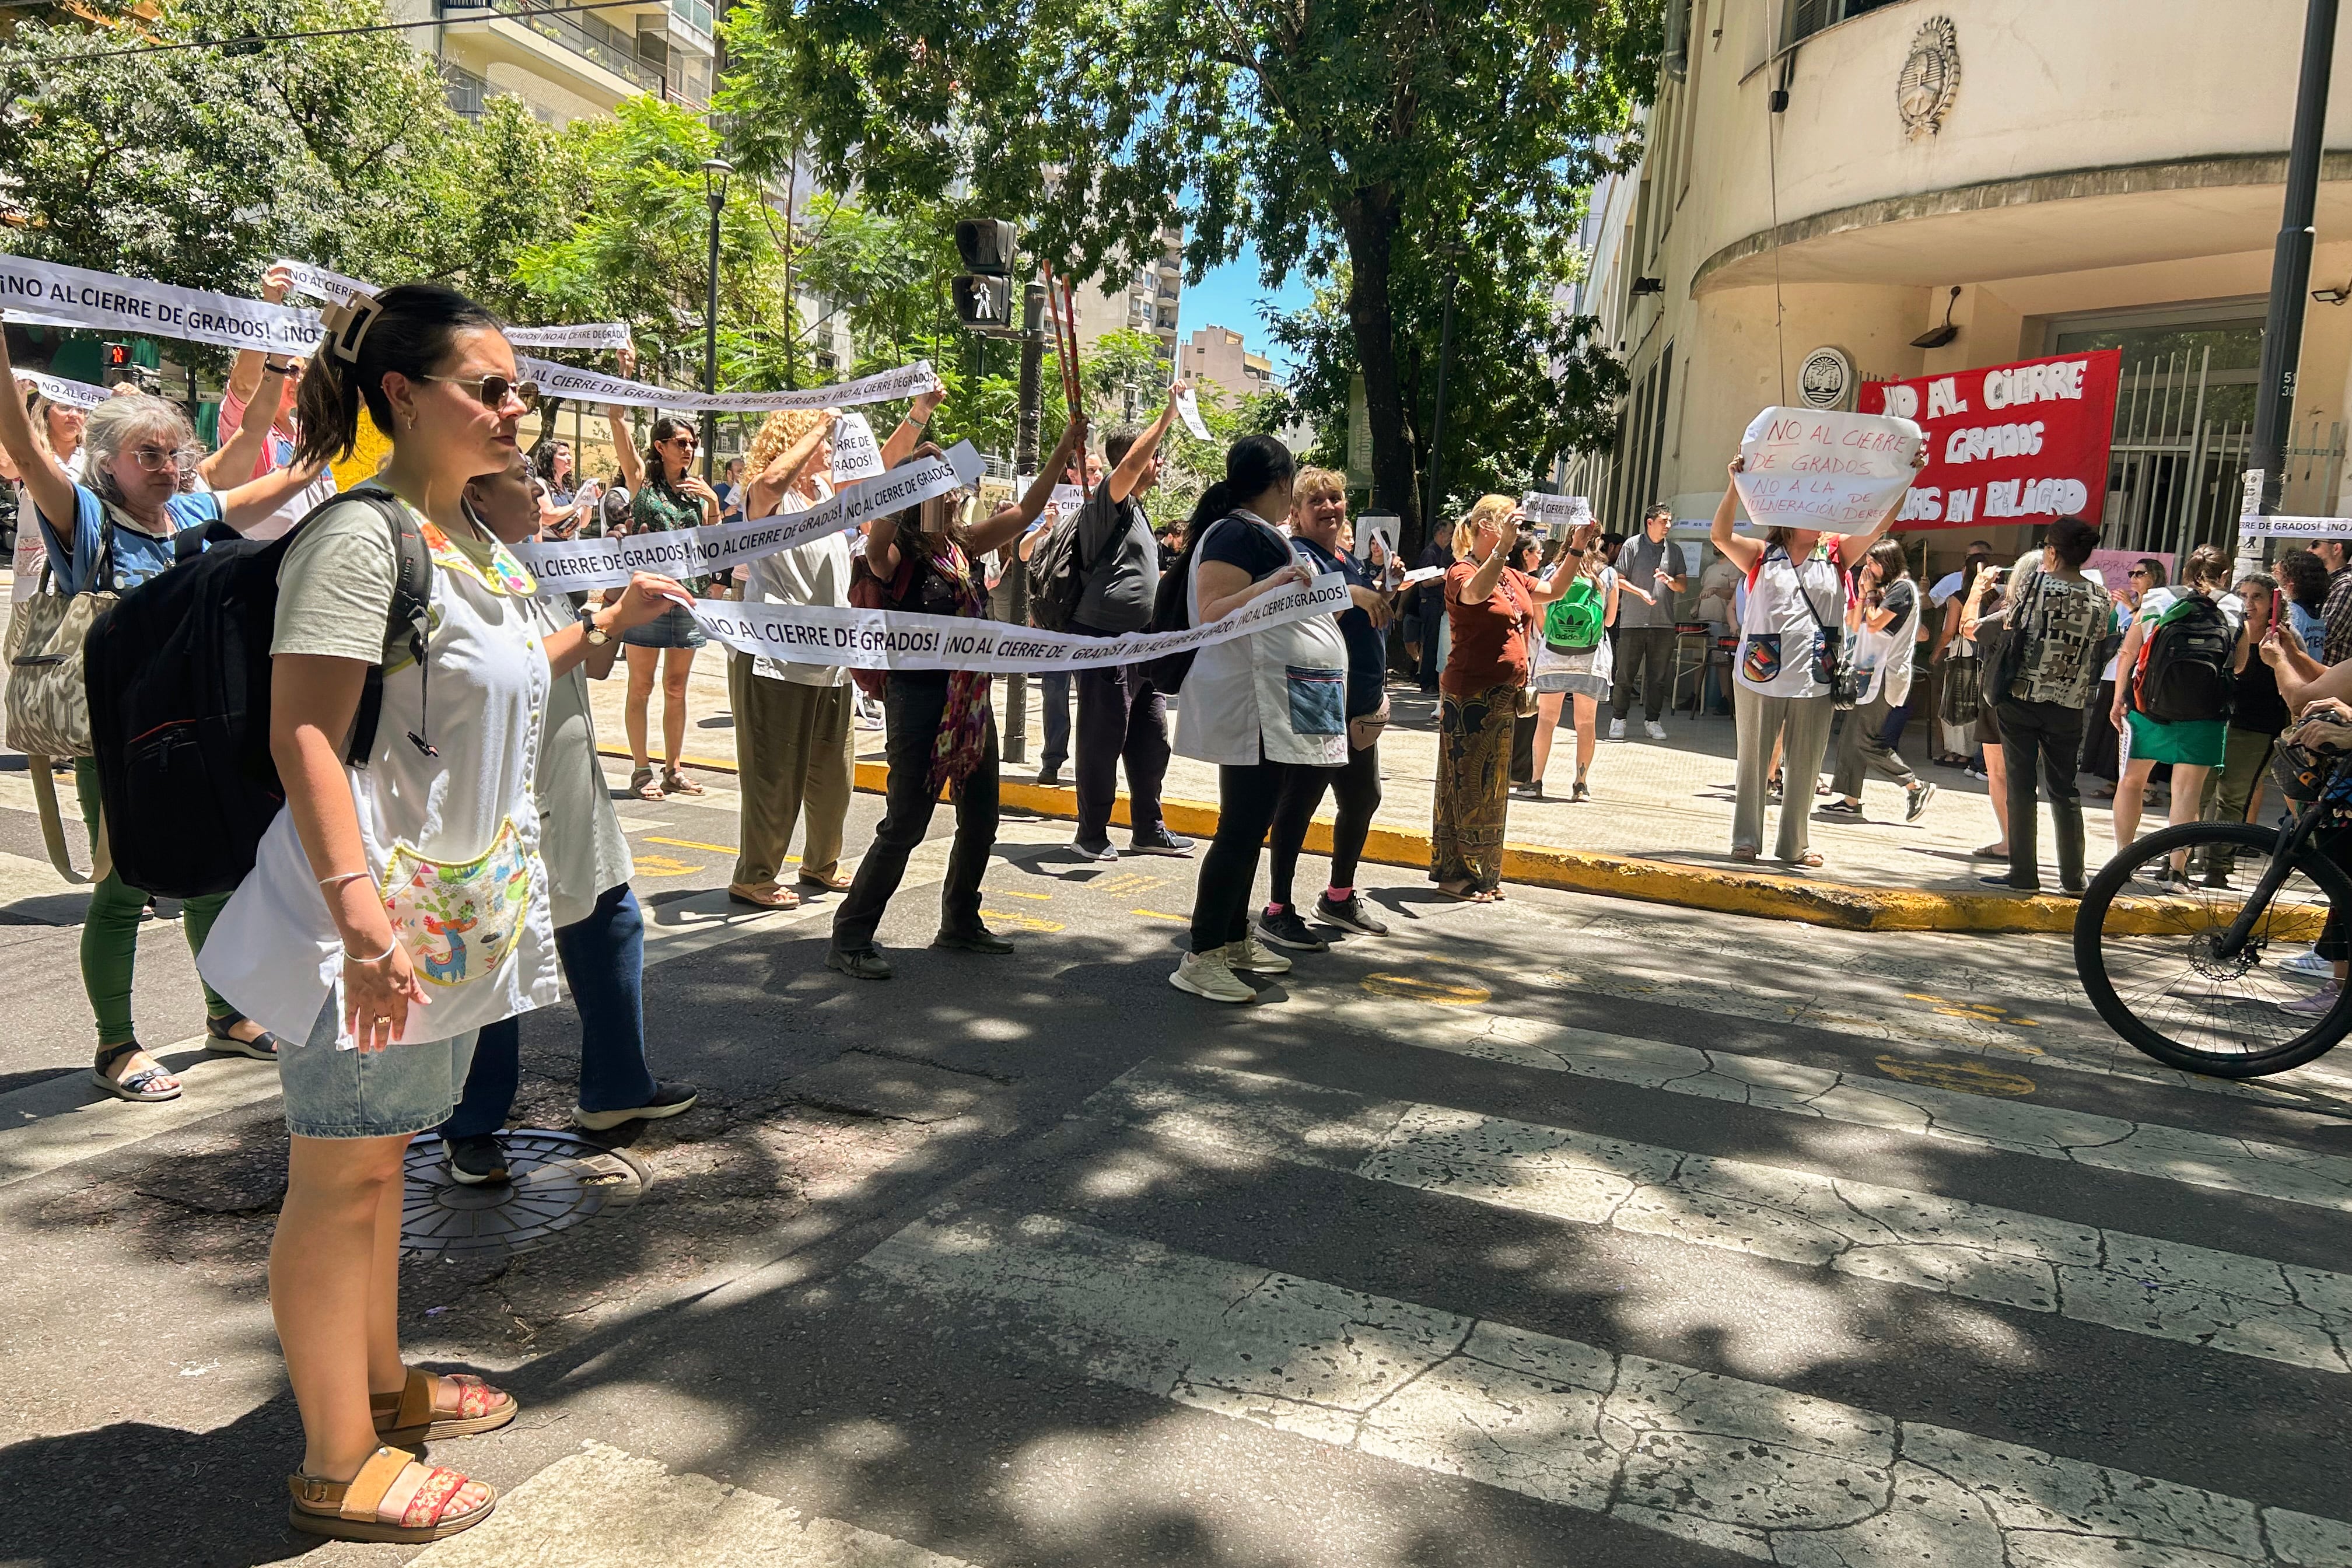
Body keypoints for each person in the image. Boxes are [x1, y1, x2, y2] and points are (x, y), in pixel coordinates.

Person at [194, 284, 685, 1544]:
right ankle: (337, 1457)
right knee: (341, 1180)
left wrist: (602, 629)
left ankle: (374, 1384)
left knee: (378, 1172)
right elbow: (302, 724)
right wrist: (360, 920)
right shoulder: (360, 538)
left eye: (520, 387)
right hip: (368, 927)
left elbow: (499, 676)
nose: (519, 408)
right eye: (492, 386)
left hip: (446, 925)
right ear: (403, 396)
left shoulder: (467, 535)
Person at [0, 332, 328, 1102]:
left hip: (197, 735)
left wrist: (314, 391)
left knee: (215, 878)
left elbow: (281, 473)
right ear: (108, 462)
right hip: (119, 747)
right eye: (148, 455)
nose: (167, 467)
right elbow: (19, 437)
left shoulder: (190, 510)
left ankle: (227, 1017)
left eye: (173, 453)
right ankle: (116, 1046)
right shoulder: (82, 517)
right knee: (122, 892)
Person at [435, 453, 698, 1183]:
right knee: (494, 955)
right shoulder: (454, 569)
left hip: (571, 791)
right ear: (475, 493)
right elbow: (498, 674)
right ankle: (472, 1124)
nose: (540, 492)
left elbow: (596, 664)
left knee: (611, 923)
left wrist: (615, 607)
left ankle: (617, 1089)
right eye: (522, 480)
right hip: (498, 799)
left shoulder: (535, 566)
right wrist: (604, 617)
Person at [827, 447, 1070, 980]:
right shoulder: (898, 556)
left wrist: (1062, 452)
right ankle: (851, 935)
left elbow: (1025, 512)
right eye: (940, 486)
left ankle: (960, 921)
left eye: (952, 483)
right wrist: (904, 483)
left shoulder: (962, 545)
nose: (954, 493)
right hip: (917, 703)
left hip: (968, 705)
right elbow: (875, 545)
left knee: (982, 818)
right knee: (907, 823)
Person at [1168, 436, 1346, 1000]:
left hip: (1274, 701)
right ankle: (1202, 954)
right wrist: (1274, 584)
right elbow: (1217, 612)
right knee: (1239, 829)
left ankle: (1233, 935)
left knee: (1252, 827)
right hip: (1251, 702)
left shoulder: (1257, 533)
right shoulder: (1232, 533)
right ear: (1280, 483)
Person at [1710, 451, 1919, 867]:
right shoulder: (1762, 554)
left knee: (1805, 761)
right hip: (1760, 671)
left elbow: (1881, 523)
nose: (1826, 515)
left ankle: (1795, 845)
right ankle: (1746, 839)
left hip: (1815, 673)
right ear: (1790, 514)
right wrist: (1735, 483)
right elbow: (1720, 536)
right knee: (1753, 758)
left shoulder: (1838, 554)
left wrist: (1908, 477)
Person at [1258, 468, 1396, 950]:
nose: (1328, 507)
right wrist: (1352, 595)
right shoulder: (1295, 555)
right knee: (1300, 803)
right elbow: (1301, 613)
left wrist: (1381, 591)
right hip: (1318, 700)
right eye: (1315, 500)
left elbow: (1366, 622)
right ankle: (1276, 909)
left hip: (1357, 704)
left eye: (1335, 498)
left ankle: (1338, 897)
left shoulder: (1346, 559)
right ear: (1295, 512)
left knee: (1362, 798)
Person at [1431, 495, 1585, 901]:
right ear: (1487, 527)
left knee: (1493, 789)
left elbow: (1554, 589)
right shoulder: (1461, 570)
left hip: (1504, 696)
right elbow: (1474, 595)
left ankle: (1484, 875)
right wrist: (1501, 550)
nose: (1519, 530)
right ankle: (1455, 874)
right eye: (1508, 522)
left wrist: (1577, 547)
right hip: (1470, 696)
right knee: (1466, 788)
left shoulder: (1513, 576)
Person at [1068, 384, 1197, 862]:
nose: (1159, 464)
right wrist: (1166, 415)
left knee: (1150, 736)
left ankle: (1148, 827)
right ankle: (1091, 833)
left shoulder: (1139, 512)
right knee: (1104, 735)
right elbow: (1126, 468)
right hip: (1107, 640)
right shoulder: (1110, 500)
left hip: (1145, 645)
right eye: (1155, 456)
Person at [1969, 517, 2112, 895]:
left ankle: (2024, 874)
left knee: (2021, 786)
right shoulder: (2102, 596)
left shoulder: (2035, 585)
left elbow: (2005, 624)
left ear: (2051, 552)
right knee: (2065, 790)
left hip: (2022, 697)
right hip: (2070, 703)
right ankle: (2073, 877)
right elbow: (2098, 640)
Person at [2109, 544, 2248, 886]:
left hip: (2148, 708)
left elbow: (2129, 651)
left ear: (2185, 572)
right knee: (2187, 793)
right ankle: (2177, 870)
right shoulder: (2233, 606)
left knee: (2131, 782)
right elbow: (2241, 664)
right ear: (2225, 576)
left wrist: (2118, 700)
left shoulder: (2157, 598)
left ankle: (2123, 862)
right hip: (2206, 713)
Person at [619, 415, 722, 800]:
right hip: (646, 600)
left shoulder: (697, 492)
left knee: (676, 687)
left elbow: (714, 544)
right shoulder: (641, 482)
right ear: (660, 446)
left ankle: (673, 769)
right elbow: (623, 440)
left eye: (692, 443)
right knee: (641, 686)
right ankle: (641, 770)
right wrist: (617, 408)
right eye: (680, 442)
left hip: (686, 599)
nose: (689, 449)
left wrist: (713, 503)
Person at [204, 262, 340, 540]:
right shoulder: (252, 431)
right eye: (290, 370)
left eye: (303, 371)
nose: (300, 379)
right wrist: (270, 308)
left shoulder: (306, 428)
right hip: (266, 570)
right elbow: (244, 384)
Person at [1823, 538, 1936, 822]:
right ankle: (1850, 799)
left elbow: (1874, 623)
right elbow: (1853, 622)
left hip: (1885, 675)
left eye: (1873, 563)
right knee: (1851, 736)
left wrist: (1871, 592)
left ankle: (1913, 785)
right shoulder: (1884, 590)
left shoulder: (1902, 590)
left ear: (1888, 562)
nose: (1868, 568)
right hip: (1867, 672)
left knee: (1865, 739)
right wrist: (1862, 595)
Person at [2193, 572, 2291, 887]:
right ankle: (2177, 858)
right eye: (2244, 595)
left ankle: (2218, 867)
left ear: (2273, 603)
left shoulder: (2283, 638)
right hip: (2215, 722)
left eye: (2258, 597)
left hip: (2257, 728)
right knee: (2197, 793)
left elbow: (2296, 682)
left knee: (2232, 799)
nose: (2249, 603)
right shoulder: (2225, 630)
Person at [1526, 536, 1619, 803]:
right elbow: (1610, 621)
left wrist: (1553, 636)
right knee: (1586, 723)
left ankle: (1535, 782)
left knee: (1546, 720)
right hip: (1591, 659)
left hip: (1553, 655)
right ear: (1599, 543)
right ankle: (1580, 785)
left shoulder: (1552, 572)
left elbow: (1540, 613)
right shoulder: (1608, 574)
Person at [1608, 502, 1688, 740]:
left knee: (1658, 678)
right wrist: (1640, 592)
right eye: (1664, 521)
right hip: (1633, 622)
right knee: (1625, 674)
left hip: (1663, 623)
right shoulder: (1632, 545)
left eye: (1670, 521)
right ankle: (1618, 719)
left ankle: (1653, 721)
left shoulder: (1674, 551)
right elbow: (1618, 580)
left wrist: (1670, 580)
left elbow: (1682, 586)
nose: (1668, 526)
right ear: (1650, 522)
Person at [1928, 547, 1992, 766]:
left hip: (1963, 651)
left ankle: (1960, 751)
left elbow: (1948, 631)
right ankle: (1970, 751)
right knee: (1974, 702)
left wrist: (1936, 652)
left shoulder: (1959, 598)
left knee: (1957, 701)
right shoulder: (1995, 595)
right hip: (1984, 653)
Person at [1412, 529, 1455, 692]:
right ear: (1439, 534)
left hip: (1439, 603)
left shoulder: (1442, 552)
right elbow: (1425, 582)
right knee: (1431, 642)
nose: (1451, 536)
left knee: (1436, 643)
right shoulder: (1430, 553)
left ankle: (1434, 682)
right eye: (1449, 533)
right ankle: (1427, 681)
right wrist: (1445, 577)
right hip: (1431, 603)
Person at [718, 454, 747, 524]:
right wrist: (725, 513)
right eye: (740, 472)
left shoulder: (749, 492)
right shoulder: (717, 491)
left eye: (745, 471)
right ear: (729, 474)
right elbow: (708, 517)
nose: (744, 475)